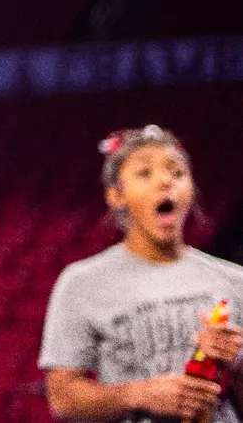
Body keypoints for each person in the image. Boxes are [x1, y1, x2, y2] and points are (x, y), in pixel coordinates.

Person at [41, 125, 243, 422]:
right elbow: (63, 399)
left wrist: (236, 364)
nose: (165, 182)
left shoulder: (234, 279)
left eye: (177, 173)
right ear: (115, 195)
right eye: (144, 173)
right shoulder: (82, 283)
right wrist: (142, 394)